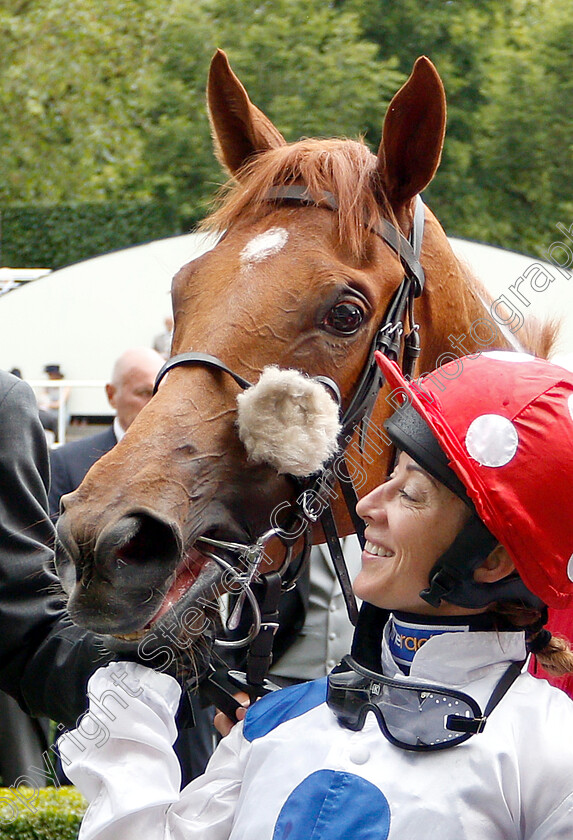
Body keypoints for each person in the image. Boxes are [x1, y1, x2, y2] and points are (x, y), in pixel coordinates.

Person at [61, 350, 573, 839]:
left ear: (492, 560)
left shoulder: (553, 753)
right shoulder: (275, 722)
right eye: (388, 475)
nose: (369, 505)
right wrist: (138, 692)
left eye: (410, 493)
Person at [48, 347, 164, 520]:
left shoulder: (193, 463)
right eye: (145, 393)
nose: (156, 403)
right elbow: (50, 541)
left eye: (163, 394)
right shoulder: (66, 464)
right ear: (111, 395)